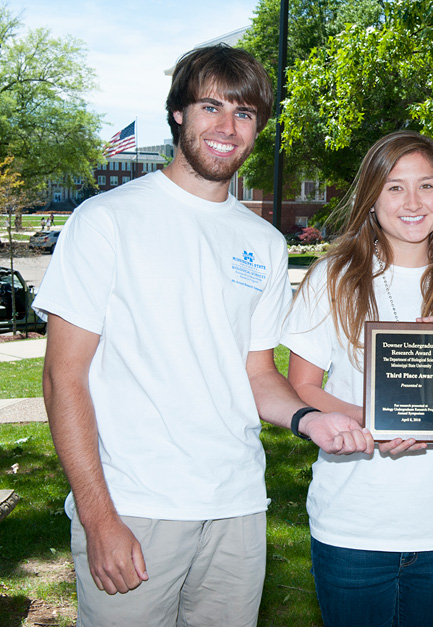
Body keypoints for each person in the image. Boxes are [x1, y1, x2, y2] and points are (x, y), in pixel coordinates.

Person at [35, 44, 371, 627]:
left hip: (236, 507)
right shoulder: (107, 219)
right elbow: (63, 376)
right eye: (210, 106)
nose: (226, 127)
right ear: (178, 114)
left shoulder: (263, 241)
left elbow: (258, 373)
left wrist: (309, 420)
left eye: (244, 114)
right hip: (135, 509)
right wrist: (98, 516)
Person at [282, 130, 433, 626]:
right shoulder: (332, 278)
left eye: (427, 186)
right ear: (371, 198)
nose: (412, 202)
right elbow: (302, 387)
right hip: (352, 522)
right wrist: (372, 421)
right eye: (394, 186)